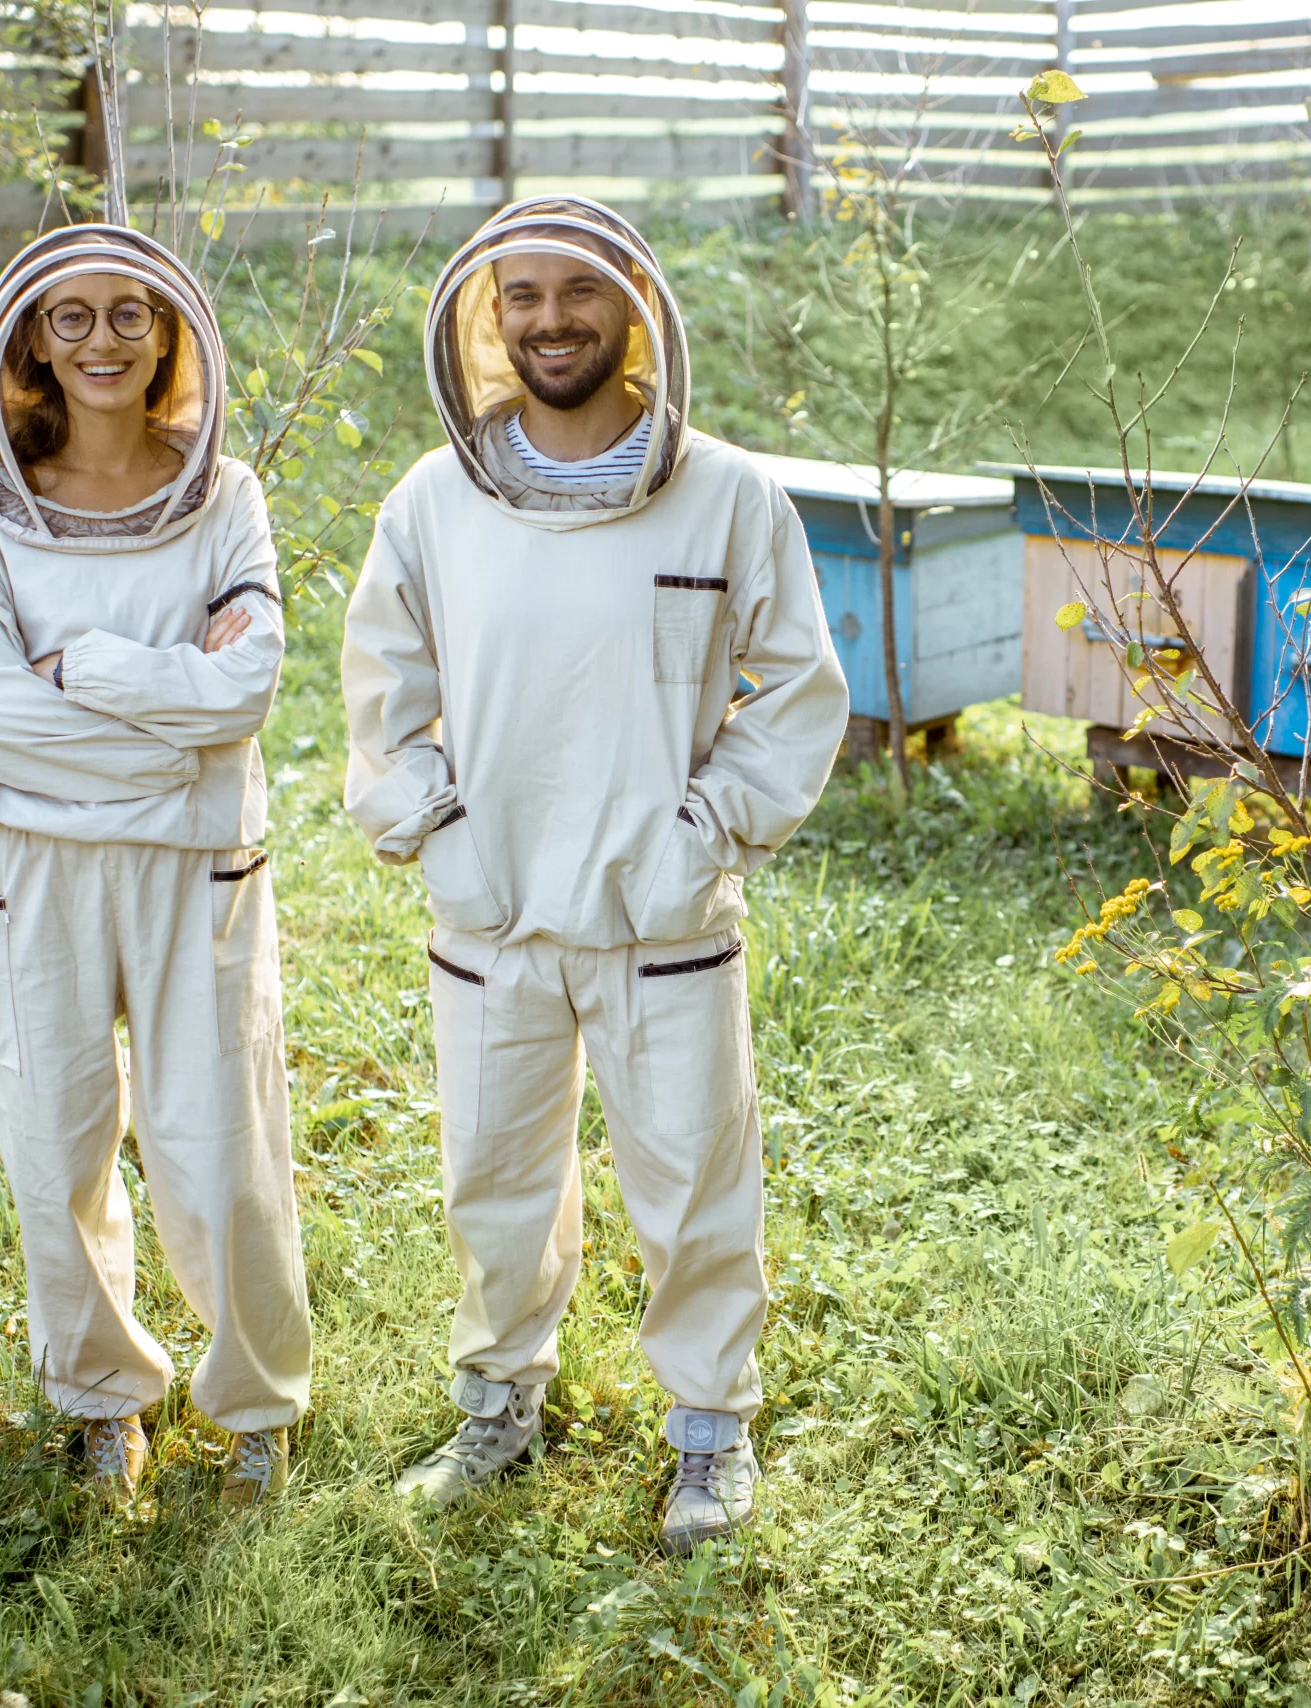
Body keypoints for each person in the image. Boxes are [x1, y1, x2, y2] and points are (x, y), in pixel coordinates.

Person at [340, 197, 847, 1555]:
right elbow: (382, 697)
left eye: (580, 291)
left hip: (661, 919)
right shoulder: (433, 502)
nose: (551, 319)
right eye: (524, 296)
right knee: (492, 1180)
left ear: (634, 304)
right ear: (487, 317)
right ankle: (497, 1402)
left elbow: (798, 693)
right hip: (494, 915)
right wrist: (443, 835)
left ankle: (709, 1432)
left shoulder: (728, 493)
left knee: (692, 1179)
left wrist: (698, 839)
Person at [0, 224, 312, 1508]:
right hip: (30, 865)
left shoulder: (228, 496)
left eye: (129, 315)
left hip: (195, 867)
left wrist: (88, 670)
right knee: (57, 1134)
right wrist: (167, 728)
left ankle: (255, 1399)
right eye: (73, 317)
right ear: (33, 339)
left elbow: (246, 687)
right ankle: (104, 1398)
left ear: (170, 335)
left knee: (220, 1141)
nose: (102, 340)